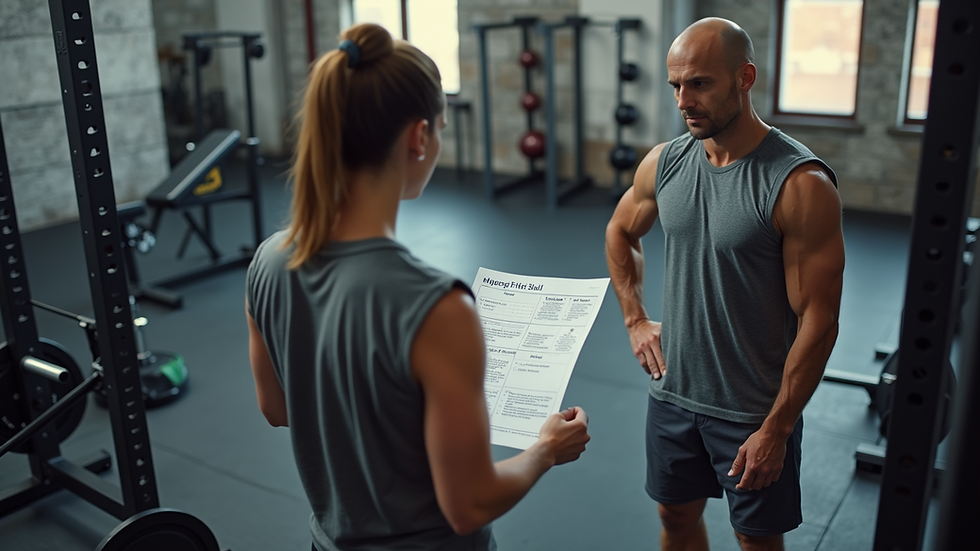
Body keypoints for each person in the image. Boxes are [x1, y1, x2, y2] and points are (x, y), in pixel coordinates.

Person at [245, 23, 590, 551]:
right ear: (419, 136)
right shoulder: (436, 307)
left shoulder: (268, 262)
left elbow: (277, 408)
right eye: (442, 128)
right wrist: (545, 449)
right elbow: (468, 505)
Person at [605, 17, 845, 551]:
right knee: (675, 518)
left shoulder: (799, 184)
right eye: (675, 86)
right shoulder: (665, 163)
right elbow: (621, 232)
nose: (684, 100)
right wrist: (635, 318)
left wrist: (778, 428)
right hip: (673, 394)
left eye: (700, 83)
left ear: (745, 77)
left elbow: (820, 319)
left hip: (753, 410)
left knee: (755, 542)